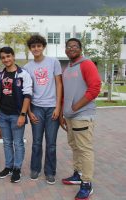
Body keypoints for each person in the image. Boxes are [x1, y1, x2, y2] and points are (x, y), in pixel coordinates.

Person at [60, 38, 101, 200]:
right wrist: (64, 113)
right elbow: (65, 93)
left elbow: (95, 87)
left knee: (84, 149)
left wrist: (76, 106)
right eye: (68, 47)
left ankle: (87, 183)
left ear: (81, 49)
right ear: (65, 50)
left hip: (82, 115)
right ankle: (78, 174)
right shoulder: (68, 68)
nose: (71, 49)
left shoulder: (87, 64)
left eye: (75, 46)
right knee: (75, 146)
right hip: (70, 117)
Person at [23, 35, 63, 184]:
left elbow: (59, 84)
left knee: (51, 143)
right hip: (36, 107)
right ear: (30, 49)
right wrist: (29, 112)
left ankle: (50, 172)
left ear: (43, 47)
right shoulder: (27, 67)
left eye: (39, 46)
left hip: (52, 107)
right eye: (33, 46)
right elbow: (27, 90)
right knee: (37, 142)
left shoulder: (54, 62)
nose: (36, 49)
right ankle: (35, 169)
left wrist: (58, 107)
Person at [0, 47, 32, 183]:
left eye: (8, 56)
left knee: (18, 143)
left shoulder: (23, 74)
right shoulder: (1, 74)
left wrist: (23, 114)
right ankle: (8, 167)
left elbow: (27, 96)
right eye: (3, 57)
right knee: (6, 143)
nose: (6, 59)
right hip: (4, 114)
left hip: (17, 115)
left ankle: (17, 169)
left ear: (13, 56)